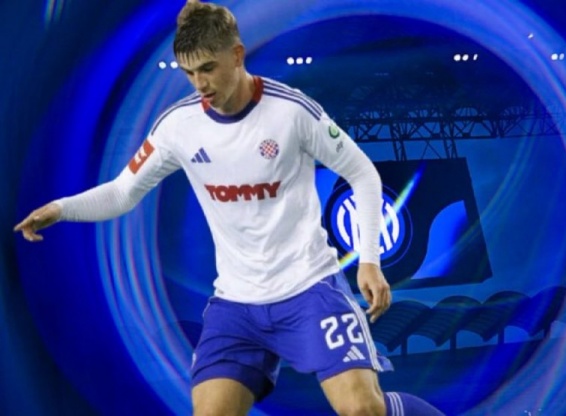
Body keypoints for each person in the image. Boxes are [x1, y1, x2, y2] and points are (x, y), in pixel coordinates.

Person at [15, 2, 445, 416]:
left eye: (207, 68)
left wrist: (369, 261)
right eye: (189, 73)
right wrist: (60, 208)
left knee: (361, 408)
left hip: (309, 289)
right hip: (236, 306)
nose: (199, 84)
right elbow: (122, 193)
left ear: (237, 55)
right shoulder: (178, 127)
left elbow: (362, 173)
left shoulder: (291, 111)